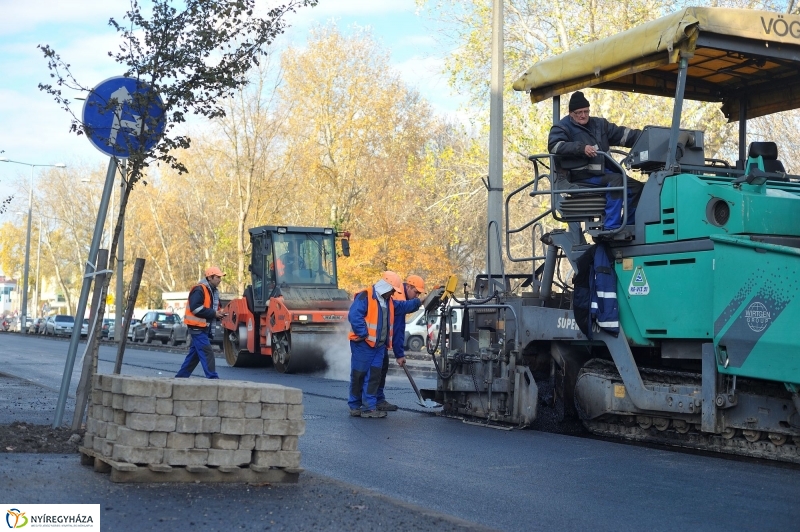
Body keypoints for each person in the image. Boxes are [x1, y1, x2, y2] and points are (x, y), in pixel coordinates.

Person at [548, 91, 643, 231]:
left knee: (637, 187)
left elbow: (623, 135)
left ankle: (628, 225)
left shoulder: (599, 124)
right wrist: (581, 148)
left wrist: (646, 136)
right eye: (579, 112)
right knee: (617, 181)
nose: (583, 115)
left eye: (586, 111)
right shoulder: (562, 127)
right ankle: (611, 227)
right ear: (570, 113)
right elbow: (554, 146)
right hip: (583, 176)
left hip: (603, 171)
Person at [375, 272, 425, 411]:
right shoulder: (398, 297)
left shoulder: (399, 296)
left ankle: (371, 400)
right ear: (408, 286)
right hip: (376, 342)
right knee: (379, 369)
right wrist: (399, 354)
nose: (417, 296)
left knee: (377, 370)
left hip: (378, 341)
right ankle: (376, 401)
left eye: (419, 295)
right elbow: (398, 330)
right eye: (416, 292)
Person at [347, 278, 397, 418]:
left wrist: (420, 302)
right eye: (392, 290)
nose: (392, 294)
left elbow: (403, 306)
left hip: (378, 346)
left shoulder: (388, 301)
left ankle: (369, 407)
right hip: (363, 344)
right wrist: (363, 333)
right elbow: (354, 315)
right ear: (385, 287)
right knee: (359, 375)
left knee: (374, 376)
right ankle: (355, 406)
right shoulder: (365, 296)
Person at [175, 266, 225, 379]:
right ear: (210, 277)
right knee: (207, 352)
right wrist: (214, 314)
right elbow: (196, 308)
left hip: (202, 328)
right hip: (197, 328)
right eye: (218, 277)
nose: (220, 280)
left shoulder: (213, 291)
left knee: (194, 356)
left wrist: (219, 314)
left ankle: (180, 378)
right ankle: (213, 378)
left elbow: (212, 310)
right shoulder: (199, 289)